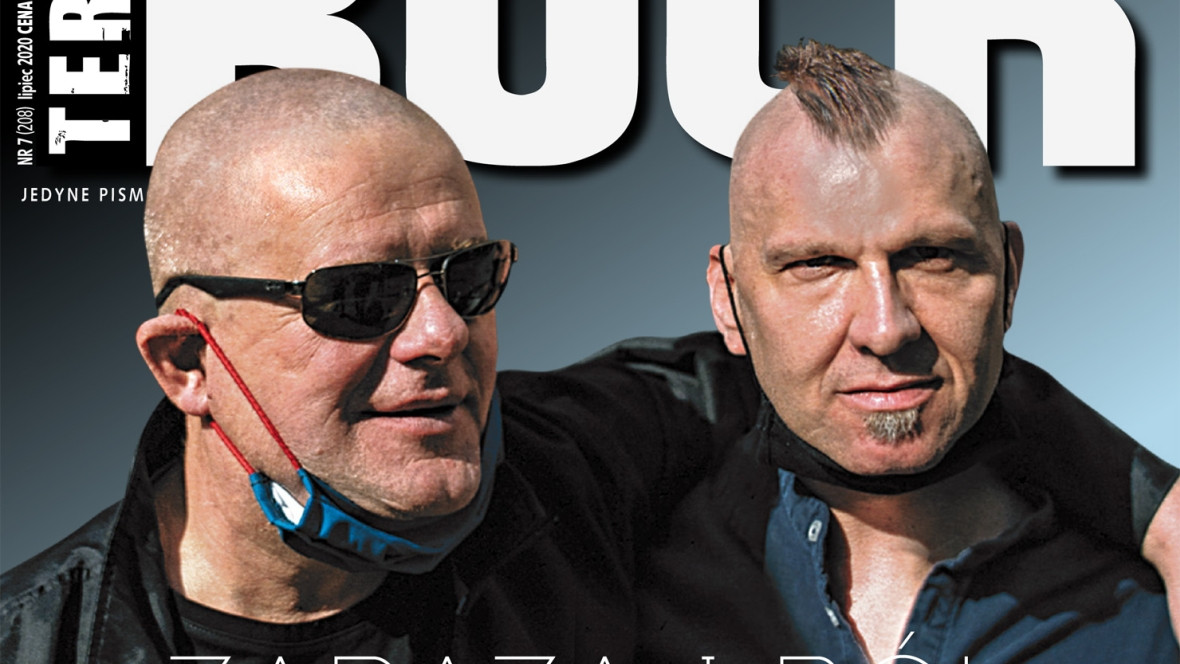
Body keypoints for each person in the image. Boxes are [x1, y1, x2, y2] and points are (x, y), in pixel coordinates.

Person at [0, 67, 1175, 663]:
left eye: (467, 277)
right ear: (186, 362)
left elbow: (861, 375)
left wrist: (1157, 510)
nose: (440, 336)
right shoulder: (42, 638)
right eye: (356, 298)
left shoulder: (574, 467)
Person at [636, 41, 1178, 663]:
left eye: (931, 256)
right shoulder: (623, 588)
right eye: (818, 263)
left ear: (1009, 276)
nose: (886, 328)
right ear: (728, 299)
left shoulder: (1148, 621)